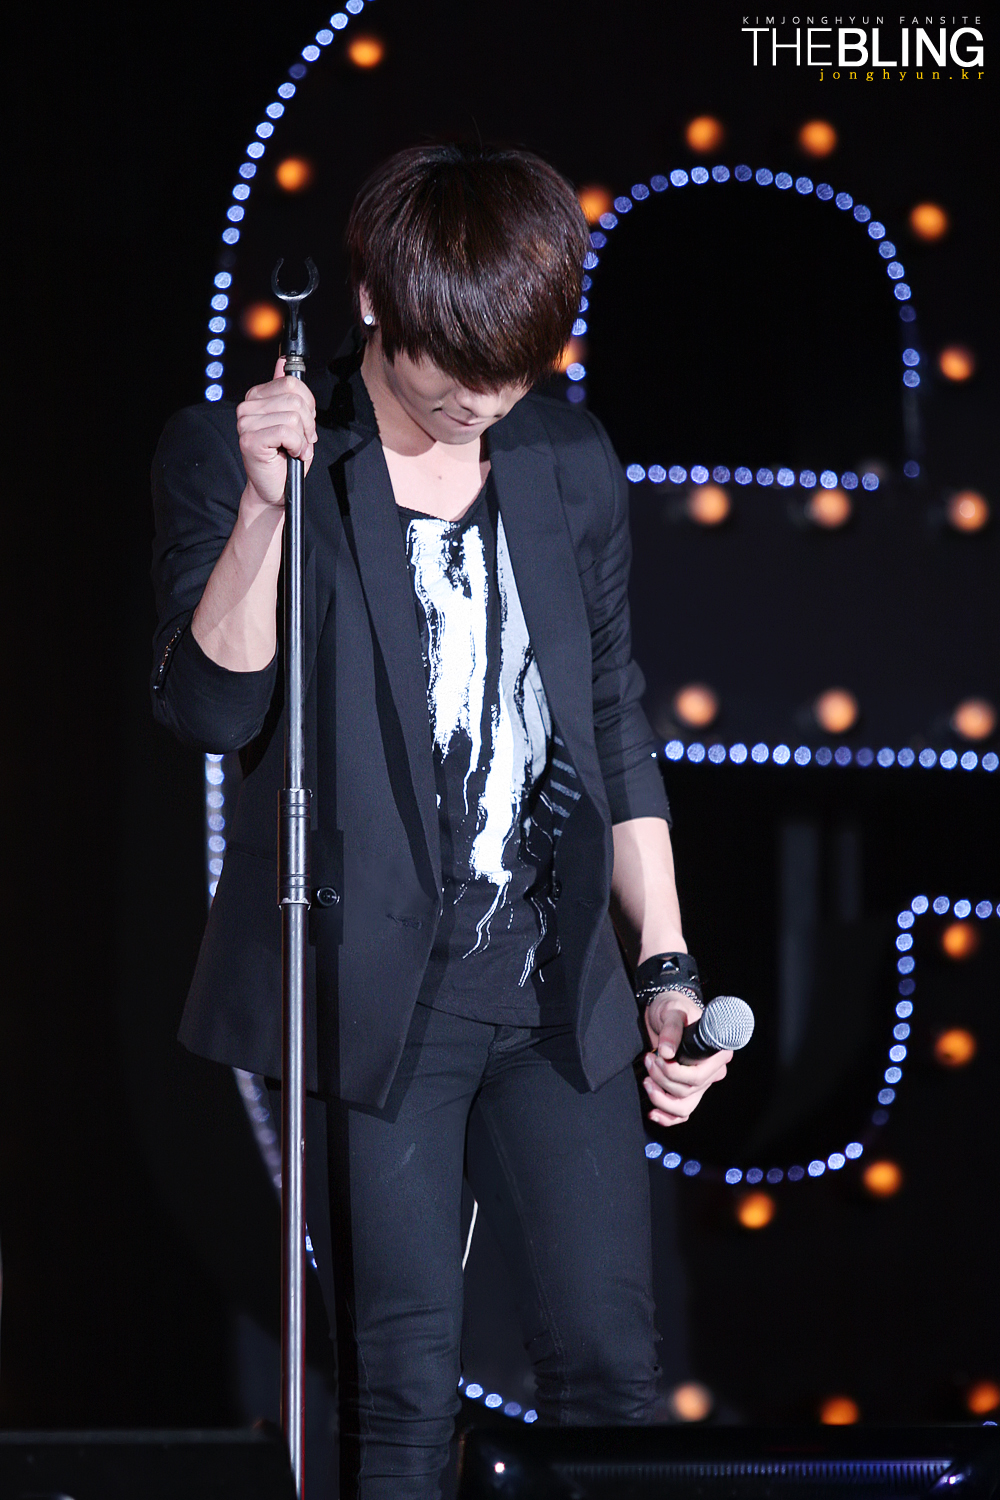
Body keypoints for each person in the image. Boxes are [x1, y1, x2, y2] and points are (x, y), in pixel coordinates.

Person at [151, 142, 731, 1500]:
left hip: (552, 978)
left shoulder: (567, 459)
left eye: (513, 374)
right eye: (452, 370)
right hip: (374, 991)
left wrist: (665, 968)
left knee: (610, 1363)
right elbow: (210, 710)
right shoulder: (256, 452)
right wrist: (262, 513)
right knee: (402, 1380)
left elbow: (612, 720)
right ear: (373, 300)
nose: (482, 401)